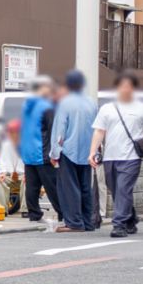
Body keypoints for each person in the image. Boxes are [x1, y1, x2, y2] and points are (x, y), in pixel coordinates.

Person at [90, 72, 143, 238]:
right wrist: (92, 152)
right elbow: (99, 131)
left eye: (128, 86)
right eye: (121, 86)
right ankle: (130, 218)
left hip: (131, 158)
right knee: (116, 190)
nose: (125, 89)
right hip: (110, 157)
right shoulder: (107, 108)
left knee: (123, 189)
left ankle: (119, 225)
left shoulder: (142, 108)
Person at [51, 70, 99, 233]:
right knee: (85, 187)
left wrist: (55, 153)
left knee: (69, 188)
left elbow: (59, 131)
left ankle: (74, 223)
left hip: (68, 151)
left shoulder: (65, 103)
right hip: (88, 151)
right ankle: (88, 221)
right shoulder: (92, 103)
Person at [19, 76, 62, 222]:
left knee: (32, 186)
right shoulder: (46, 107)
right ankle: (63, 213)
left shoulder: (26, 106)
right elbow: (52, 131)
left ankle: (34, 214)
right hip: (42, 153)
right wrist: (54, 152)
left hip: (28, 153)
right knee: (52, 186)